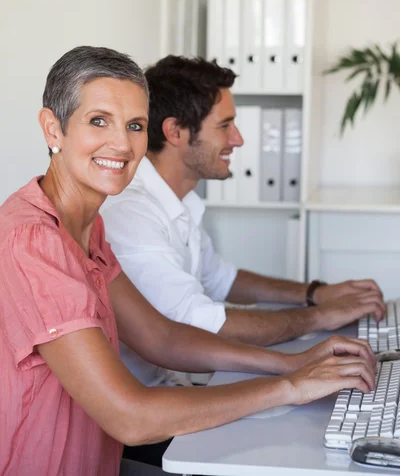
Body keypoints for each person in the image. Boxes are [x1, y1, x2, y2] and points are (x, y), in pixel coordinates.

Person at [0, 47, 377, 476]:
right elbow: (131, 417)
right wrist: (289, 386)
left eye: (134, 126)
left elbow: (160, 338)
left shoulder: (86, 227)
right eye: (98, 121)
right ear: (53, 128)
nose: (122, 144)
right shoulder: (34, 240)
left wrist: (292, 363)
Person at [101, 55, 384, 391]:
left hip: (173, 386)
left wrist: (314, 293)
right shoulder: (131, 212)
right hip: (147, 411)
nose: (237, 139)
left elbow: (221, 278)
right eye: (225, 125)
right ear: (175, 132)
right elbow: (199, 323)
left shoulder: (179, 201)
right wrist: (318, 317)